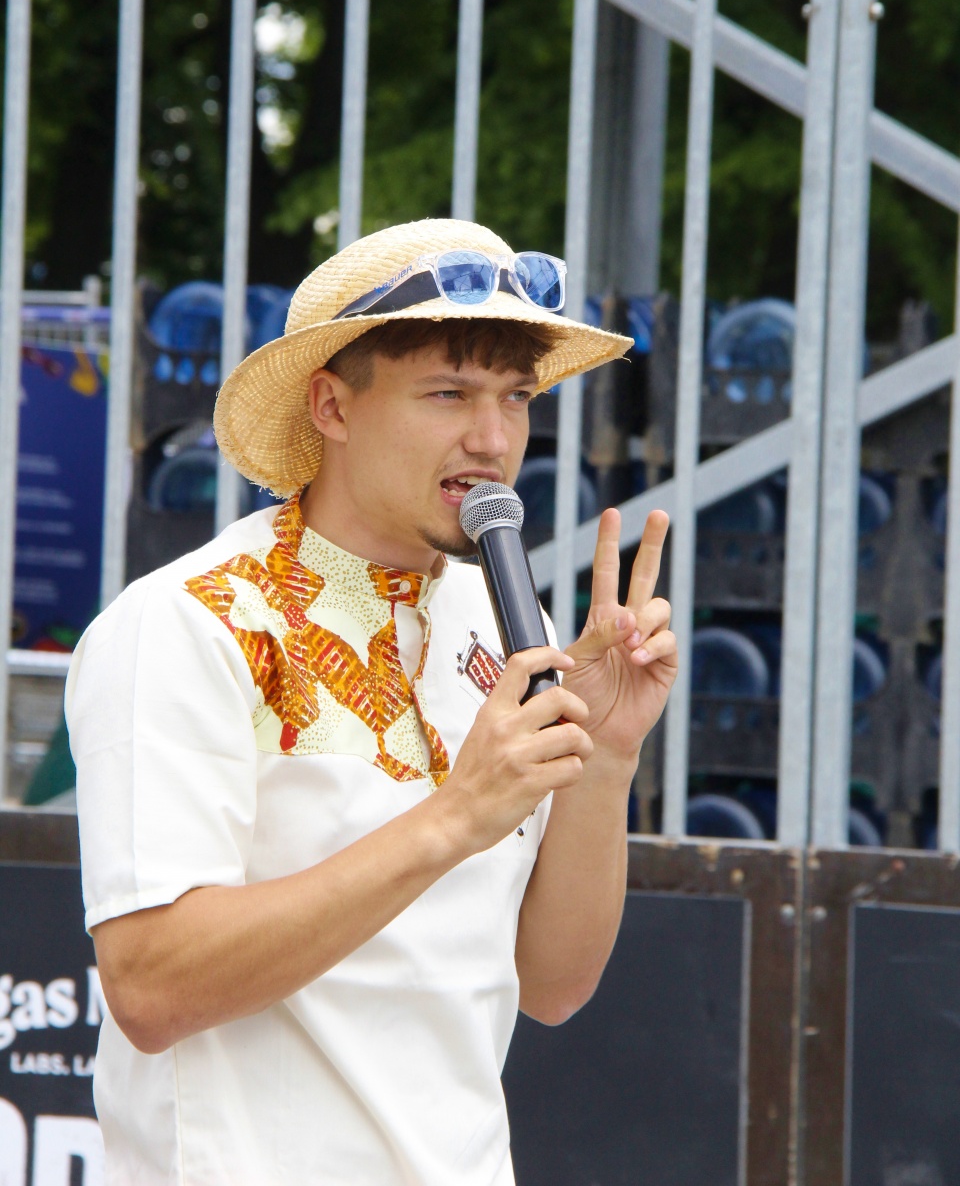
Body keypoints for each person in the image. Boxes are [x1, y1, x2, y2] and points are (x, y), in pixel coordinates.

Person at [66, 217, 678, 1186]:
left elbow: (553, 987)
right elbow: (149, 985)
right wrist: (454, 818)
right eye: (449, 393)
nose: (494, 439)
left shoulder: (501, 621)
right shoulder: (187, 623)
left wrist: (607, 759)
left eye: (517, 397)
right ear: (332, 406)